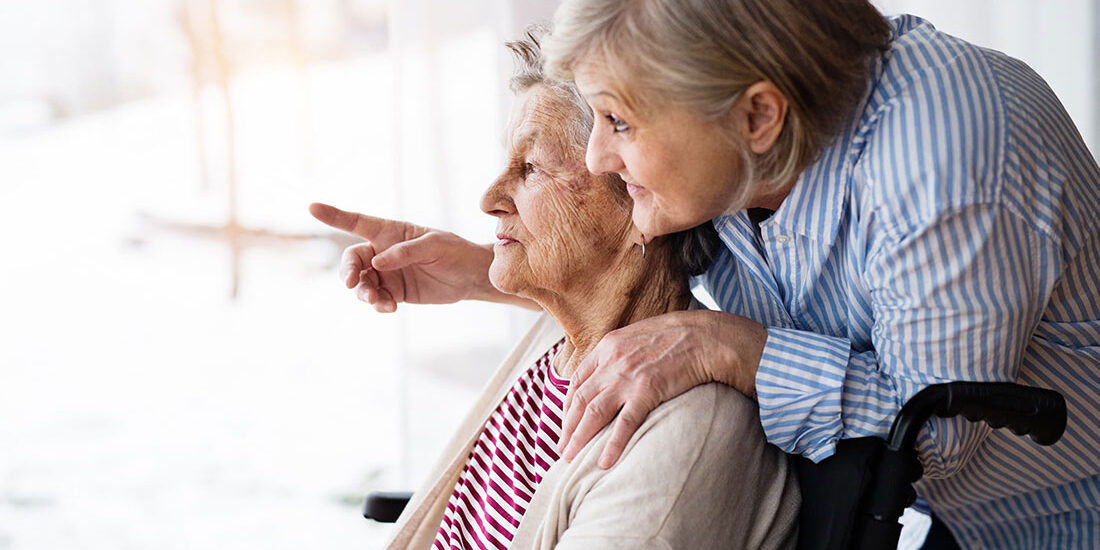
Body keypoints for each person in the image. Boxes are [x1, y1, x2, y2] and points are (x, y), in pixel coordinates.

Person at [317, 1, 1100, 548]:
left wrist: (730, 347)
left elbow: (938, 430)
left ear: (759, 115)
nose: (599, 160)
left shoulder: (946, 156)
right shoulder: (726, 156)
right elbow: (632, 256)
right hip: (959, 521)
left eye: (618, 123)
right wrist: (487, 270)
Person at [311, 31, 798, 550]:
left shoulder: (691, 430)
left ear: (641, 200)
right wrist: (475, 269)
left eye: (531, 169)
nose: (489, 198)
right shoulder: (561, 338)